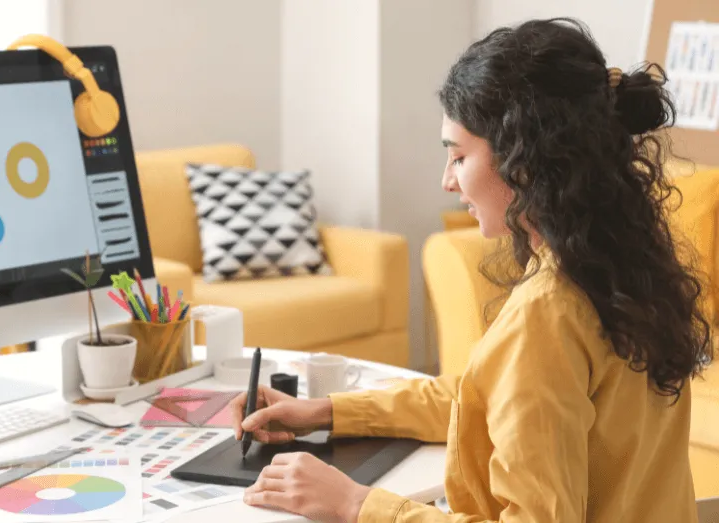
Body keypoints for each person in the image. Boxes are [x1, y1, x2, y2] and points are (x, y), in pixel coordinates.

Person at [229, 17, 713, 523]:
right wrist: (327, 412)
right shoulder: (623, 268)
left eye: (458, 157)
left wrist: (357, 504)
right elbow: (482, 403)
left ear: (526, 159)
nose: (447, 181)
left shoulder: (550, 310)